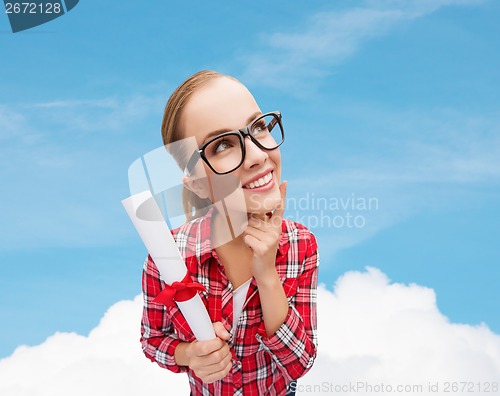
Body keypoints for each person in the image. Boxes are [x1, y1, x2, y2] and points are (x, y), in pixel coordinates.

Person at [140, 70, 319, 395]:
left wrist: (266, 273)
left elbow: (299, 362)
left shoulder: (300, 245)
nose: (257, 155)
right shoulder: (168, 254)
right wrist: (188, 354)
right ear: (196, 182)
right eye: (222, 145)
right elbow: (153, 340)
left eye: (258, 127)